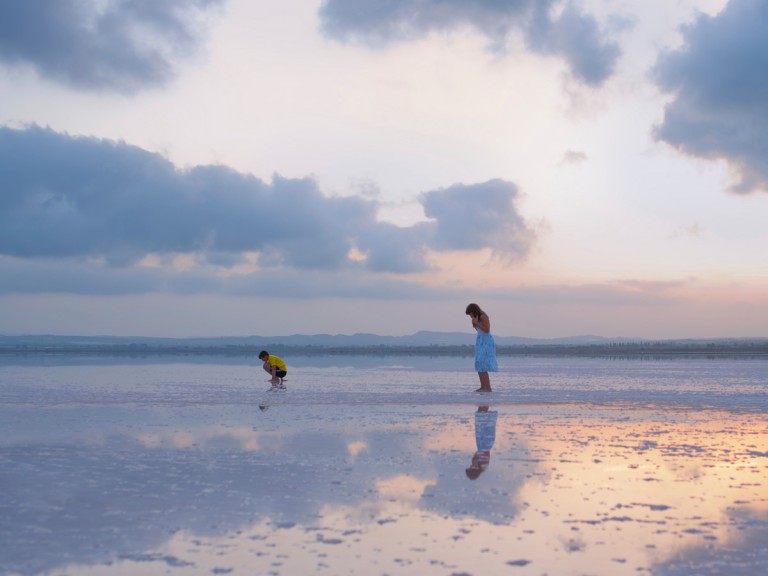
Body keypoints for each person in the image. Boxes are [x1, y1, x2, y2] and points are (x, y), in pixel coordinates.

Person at [465, 303, 497, 392]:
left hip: (486, 342)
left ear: (474, 311)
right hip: (480, 341)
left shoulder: (483, 316)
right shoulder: (476, 318)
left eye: (470, 314)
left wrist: (477, 324)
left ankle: (487, 387)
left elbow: (487, 330)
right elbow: (479, 330)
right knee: (479, 363)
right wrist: (475, 324)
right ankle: (483, 386)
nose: (470, 316)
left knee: (483, 364)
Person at [465, 405, 498, 479]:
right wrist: (475, 461)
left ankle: (484, 402)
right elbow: (483, 454)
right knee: (483, 423)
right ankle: (485, 400)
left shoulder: (482, 467)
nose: (470, 466)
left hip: (483, 444)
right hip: (484, 444)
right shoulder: (481, 466)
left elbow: (479, 455)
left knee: (482, 421)